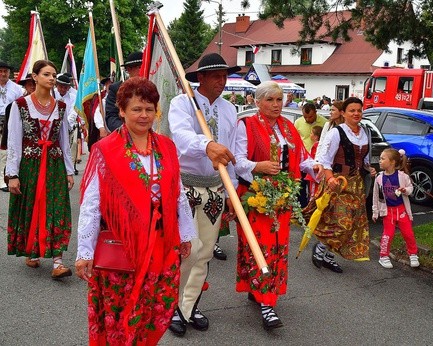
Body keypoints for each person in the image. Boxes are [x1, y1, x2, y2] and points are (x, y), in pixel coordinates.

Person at [75, 77, 196, 345]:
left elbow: (178, 193)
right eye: (136, 109)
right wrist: (85, 251)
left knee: (156, 311)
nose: (144, 115)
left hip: (161, 245)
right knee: (121, 316)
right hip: (122, 249)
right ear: (121, 110)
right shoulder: (104, 150)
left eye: (149, 109)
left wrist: (185, 234)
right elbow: (92, 205)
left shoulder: (166, 146)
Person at [234, 81, 323, 330]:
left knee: (277, 247)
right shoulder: (247, 125)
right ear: (258, 101)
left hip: (282, 199)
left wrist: (315, 167)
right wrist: (257, 166)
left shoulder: (287, 126)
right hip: (256, 196)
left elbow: (302, 158)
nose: (276, 104)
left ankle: (265, 296)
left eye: (279, 99)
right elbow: (237, 161)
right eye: (270, 100)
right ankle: (265, 300)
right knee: (259, 247)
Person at [167, 52, 239, 337]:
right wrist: (207, 144)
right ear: (202, 78)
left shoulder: (230, 110)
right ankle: (172, 304)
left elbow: (230, 152)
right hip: (184, 187)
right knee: (188, 249)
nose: (222, 81)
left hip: (216, 188)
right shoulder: (182, 103)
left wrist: (231, 191)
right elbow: (181, 137)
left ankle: (188, 306)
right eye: (216, 76)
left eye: (225, 76)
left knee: (206, 252)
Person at [5, 59, 75, 278]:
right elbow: (14, 141)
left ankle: (57, 262)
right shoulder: (20, 105)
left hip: (54, 165)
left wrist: (69, 170)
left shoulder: (61, 108)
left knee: (56, 208)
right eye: (46, 74)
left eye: (53, 74)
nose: (52, 78)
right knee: (31, 206)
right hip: (30, 165)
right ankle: (32, 250)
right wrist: (12, 175)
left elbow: (64, 141)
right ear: (34, 77)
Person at [312, 97, 376, 269]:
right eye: (352, 110)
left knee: (352, 223)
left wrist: (369, 168)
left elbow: (364, 159)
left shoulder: (365, 132)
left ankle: (328, 254)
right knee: (341, 222)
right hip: (339, 182)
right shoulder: (336, 132)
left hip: (357, 184)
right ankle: (320, 247)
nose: (356, 114)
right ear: (343, 113)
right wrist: (330, 178)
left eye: (359, 110)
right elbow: (325, 160)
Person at [311, 100, 345, 272]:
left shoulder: (354, 129)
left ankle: (328, 254)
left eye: (333, 110)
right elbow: (322, 148)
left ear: (341, 111)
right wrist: (318, 166)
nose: (331, 112)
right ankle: (322, 249)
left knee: (345, 220)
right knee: (331, 215)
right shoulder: (329, 127)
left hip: (348, 179)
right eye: (330, 109)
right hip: (330, 174)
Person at [372, 148, 420, 269]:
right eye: (380, 158)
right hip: (388, 211)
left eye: (383, 159)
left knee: (408, 233)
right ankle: (383, 256)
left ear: (392, 162)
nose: (380, 161)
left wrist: (405, 190)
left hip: (402, 210)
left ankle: (413, 254)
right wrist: (375, 211)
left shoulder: (402, 176)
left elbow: (410, 188)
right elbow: (376, 196)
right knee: (388, 234)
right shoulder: (379, 178)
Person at [293, 102, 327, 207]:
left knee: (317, 186)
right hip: (302, 160)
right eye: (305, 117)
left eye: (310, 116)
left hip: (318, 161)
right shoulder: (298, 122)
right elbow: (294, 140)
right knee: (301, 184)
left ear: (316, 112)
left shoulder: (325, 123)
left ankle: (316, 206)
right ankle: (303, 207)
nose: (307, 119)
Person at [0, 61, 24, 192]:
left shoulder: (17, 89)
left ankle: (4, 178)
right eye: (1, 71)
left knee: (5, 151)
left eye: (5, 71)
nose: (3, 74)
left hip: (9, 122)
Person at [105, 51, 143, 132]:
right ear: (129, 69)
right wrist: (128, 130)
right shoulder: (117, 89)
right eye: (139, 67)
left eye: (146, 65)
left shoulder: (155, 87)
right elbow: (111, 117)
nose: (143, 69)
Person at [0, 74, 35, 155]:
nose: (33, 87)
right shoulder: (16, 104)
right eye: (30, 84)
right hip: (20, 141)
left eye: (35, 84)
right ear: (25, 86)